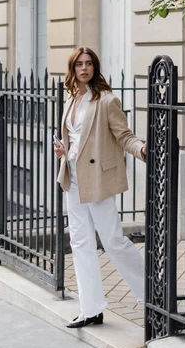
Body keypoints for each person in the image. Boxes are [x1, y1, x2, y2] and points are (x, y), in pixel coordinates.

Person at [54, 46, 146, 329]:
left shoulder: (106, 100)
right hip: (73, 176)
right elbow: (76, 137)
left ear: (94, 67)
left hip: (96, 178)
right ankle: (91, 309)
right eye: (79, 64)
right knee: (80, 242)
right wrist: (64, 150)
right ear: (73, 69)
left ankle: (154, 295)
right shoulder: (72, 98)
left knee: (113, 240)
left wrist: (142, 149)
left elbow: (123, 135)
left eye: (89, 63)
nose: (84, 68)